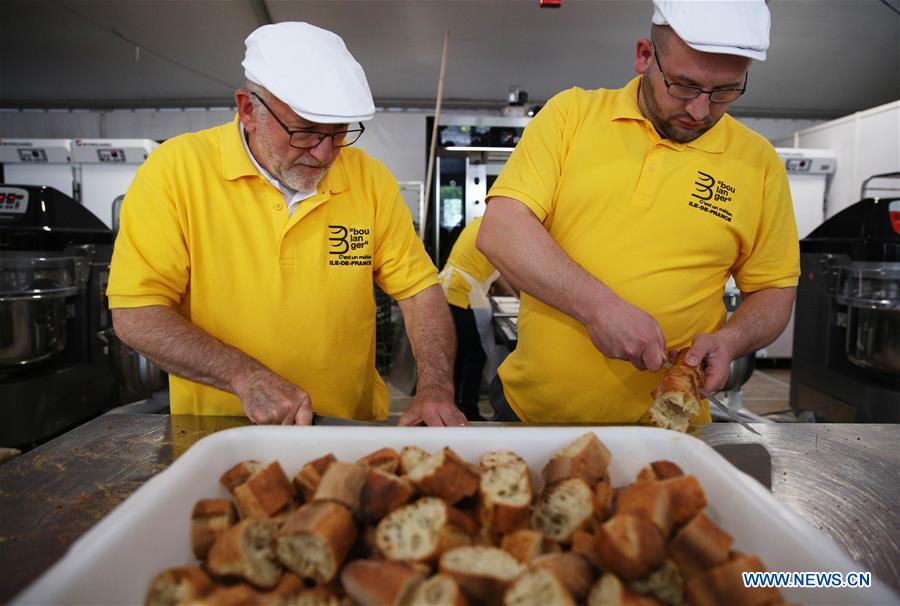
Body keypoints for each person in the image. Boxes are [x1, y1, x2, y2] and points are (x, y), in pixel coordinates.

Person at [107, 22, 465, 427]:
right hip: (218, 431)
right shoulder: (176, 172)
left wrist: (435, 387)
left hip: (348, 430)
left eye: (339, 133)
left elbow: (419, 292)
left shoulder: (371, 181)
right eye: (305, 132)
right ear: (248, 110)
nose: (325, 154)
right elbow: (136, 312)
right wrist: (244, 377)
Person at [477, 0, 799, 424]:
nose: (700, 111)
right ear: (644, 56)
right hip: (537, 415)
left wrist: (732, 340)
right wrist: (600, 308)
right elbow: (501, 229)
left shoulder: (759, 163)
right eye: (683, 85)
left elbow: (774, 290)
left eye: (724, 91)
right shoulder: (571, 116)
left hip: (672, 425)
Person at [437, 216, 515, 421]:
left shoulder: (482, 222)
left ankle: (453, 408)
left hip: (451, 292)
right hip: (462, 296)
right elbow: (506, 273)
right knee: (473, 357)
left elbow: (498, 272)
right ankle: (468, 410)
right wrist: (521, 298)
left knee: (460, 356)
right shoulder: (498, 227)